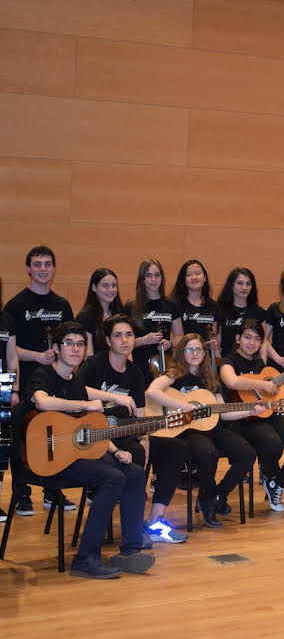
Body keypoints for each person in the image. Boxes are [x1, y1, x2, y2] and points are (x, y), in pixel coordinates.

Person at [24, 321, 153, 578]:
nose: (75, 349)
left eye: (80, 344)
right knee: (112, 477)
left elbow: (94, 427)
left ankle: (130, 550)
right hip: (45, 457)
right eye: (69, 344)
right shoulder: (43, 375)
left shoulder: (76, 382)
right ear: (57, 348)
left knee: (135, 472)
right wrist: (88, 402)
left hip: (75, 454)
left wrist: (116, 451)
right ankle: (85, 558)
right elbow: (42, 402)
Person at [77, 314, 189, 543]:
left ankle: (155, 520)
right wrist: (113, 398)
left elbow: (140, 419)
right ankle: (133, 528)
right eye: (118, 335)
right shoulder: (93, 365)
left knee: (176, 447)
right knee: (136, 453)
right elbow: (76, 391)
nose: (125, 340)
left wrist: (145, 440)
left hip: (126, 433)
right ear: (108, 341)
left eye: (129, 335)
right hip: (95, 436)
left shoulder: (135, 373)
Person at [146, 334, 257, 528]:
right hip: (188, 430)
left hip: (213, 427)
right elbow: (151, 392)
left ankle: (215, 496)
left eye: (199, 349)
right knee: (207, 453)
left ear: (205, 353)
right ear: (182, 352)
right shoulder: (174, 374)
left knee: (247, 454)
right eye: (190, 349)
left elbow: (222, 413)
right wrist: (184, 406)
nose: (195, 353)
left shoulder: (209, 377)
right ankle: (207, 500)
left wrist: (250, 410)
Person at [4, 245, 74, 516]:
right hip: (25, 380)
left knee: (54, 437)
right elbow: (9, 348)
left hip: (54, 383)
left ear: (54, 269)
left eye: (47, 264)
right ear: (28, 269)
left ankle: (53, 490)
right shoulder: (16, 305)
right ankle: (22, 494)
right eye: (37, 264)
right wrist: (36, 356)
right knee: (20, 439)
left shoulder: (62, 305)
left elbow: (71, 340)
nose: (43, 269)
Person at [218, 319, 284, 513]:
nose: (251, 343)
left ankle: (276, 484)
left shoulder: (259, 363)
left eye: (256, 339)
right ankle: (270, 474)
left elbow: (276, 387)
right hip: (244, 418)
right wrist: (262, 385)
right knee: (273, 444)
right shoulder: (228, 361)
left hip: (268, 413)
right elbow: (232, 382)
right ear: (237, 339)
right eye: (247, 337)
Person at [125, 258, 183, 385]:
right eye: (148, 276)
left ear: (162, 278)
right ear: (142, 279)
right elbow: (124, 343)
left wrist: (170, 343)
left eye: (157, 275)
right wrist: (143, 340)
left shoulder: (172, 305)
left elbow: (180, 337)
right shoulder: (131, 306)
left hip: (164, 365)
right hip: (139, 365)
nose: (153, 279)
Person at [171, 259, 220, 362]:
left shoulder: (213, 306)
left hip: (206, 359)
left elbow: (213, 336)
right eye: (189, 275)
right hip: (184, 359)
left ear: (205, 278)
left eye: (197, 273)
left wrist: (213, 345)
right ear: (183, 280)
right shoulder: (176, 305)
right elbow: (178, 340)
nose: (194, 277)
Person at [217, 267, 266, 358]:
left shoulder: (259, 312)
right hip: (228, 365)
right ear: (231, 285)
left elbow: (263, 343)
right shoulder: (220, 310)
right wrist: (219, 367)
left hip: (252, 366)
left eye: (248, 284)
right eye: (240, 283)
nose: (244, 287)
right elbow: (217, 344)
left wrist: (263, 366)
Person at [0, 299, 20, 523]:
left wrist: (14, 389)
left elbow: (12, 357)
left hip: (2, 389)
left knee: (1, 449)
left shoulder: (6, 319)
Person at [76, 268, 124, 357]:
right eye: (105, 286)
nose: (111, 289)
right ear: (94, 288)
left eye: (114, 285)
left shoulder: (120, 314)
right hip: (95, 369)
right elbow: (88, 356)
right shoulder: (85, 317)